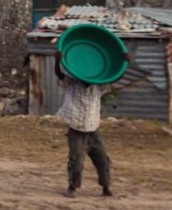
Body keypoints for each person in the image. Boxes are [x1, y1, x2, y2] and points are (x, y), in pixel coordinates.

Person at [54, 49, 130, 198]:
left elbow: (115, 78)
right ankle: (72, 187)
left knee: (103, 160)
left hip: (93, 130)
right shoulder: (72, 83)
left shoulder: (98, 87)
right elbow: (59, 75)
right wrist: (57, 60)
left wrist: (126, 63)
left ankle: (106, 188)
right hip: (76, 130)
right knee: (76, 160)